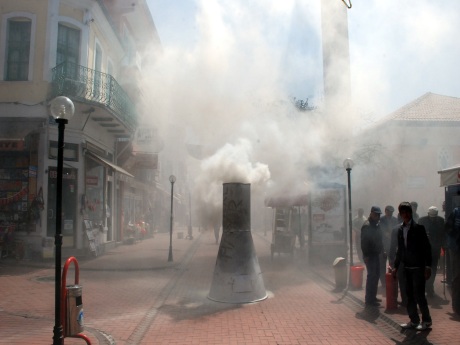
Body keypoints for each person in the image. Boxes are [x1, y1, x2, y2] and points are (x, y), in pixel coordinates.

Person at [392, 202, 432, 331]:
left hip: (418, 267)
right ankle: (414, 320)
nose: (405, 215)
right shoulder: (399, 229)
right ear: (400, 214)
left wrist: (428, 266)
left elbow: (427, 248)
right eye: (402, 213)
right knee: (409, 295)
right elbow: (400, 250)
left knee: (419, 294)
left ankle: (426, 320)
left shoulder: (419, 229)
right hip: (406, 267)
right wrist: (395, 266)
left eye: (407, 212)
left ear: (411, 213)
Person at [418, 206, 445, 297]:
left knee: (433, 269)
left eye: (434, 217)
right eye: (431, 217)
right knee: (423, 268)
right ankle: (424, 286)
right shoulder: (422, 220)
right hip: (423, 249)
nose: (432, 219)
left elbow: (443, 234)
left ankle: (430, 287)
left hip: (435, 249)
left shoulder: (441, 221)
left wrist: (443, 246)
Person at [361, 206, 384, 306]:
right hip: (370, 255)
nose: (378, 216)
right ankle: (369, 299)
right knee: (371, 276)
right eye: (376, 214)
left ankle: (373, 297)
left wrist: (382, 250)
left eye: (379, 215)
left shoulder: (377, 225)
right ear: (371, 214)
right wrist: (366, 255)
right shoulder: (367, 225)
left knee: (376, 275)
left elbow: (380, 239)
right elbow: (364, 242)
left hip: (376, 253)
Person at [445, 206, 460, 316]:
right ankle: (457, 307)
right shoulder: (455, 212)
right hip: (456, 249)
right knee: (457, 277)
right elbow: (448, 228)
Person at [379, 205, 399, 290]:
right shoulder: (381, 220)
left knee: (392, 263)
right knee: (382, 264)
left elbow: (397, 229)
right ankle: (383, 282)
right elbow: (381, 231)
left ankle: (392, 280)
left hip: (392, 245)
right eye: (388, 212)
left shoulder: (395, 220)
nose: (390, 214)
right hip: (383, 245)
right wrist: (388, 234)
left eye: (391, 212)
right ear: (385, 211)